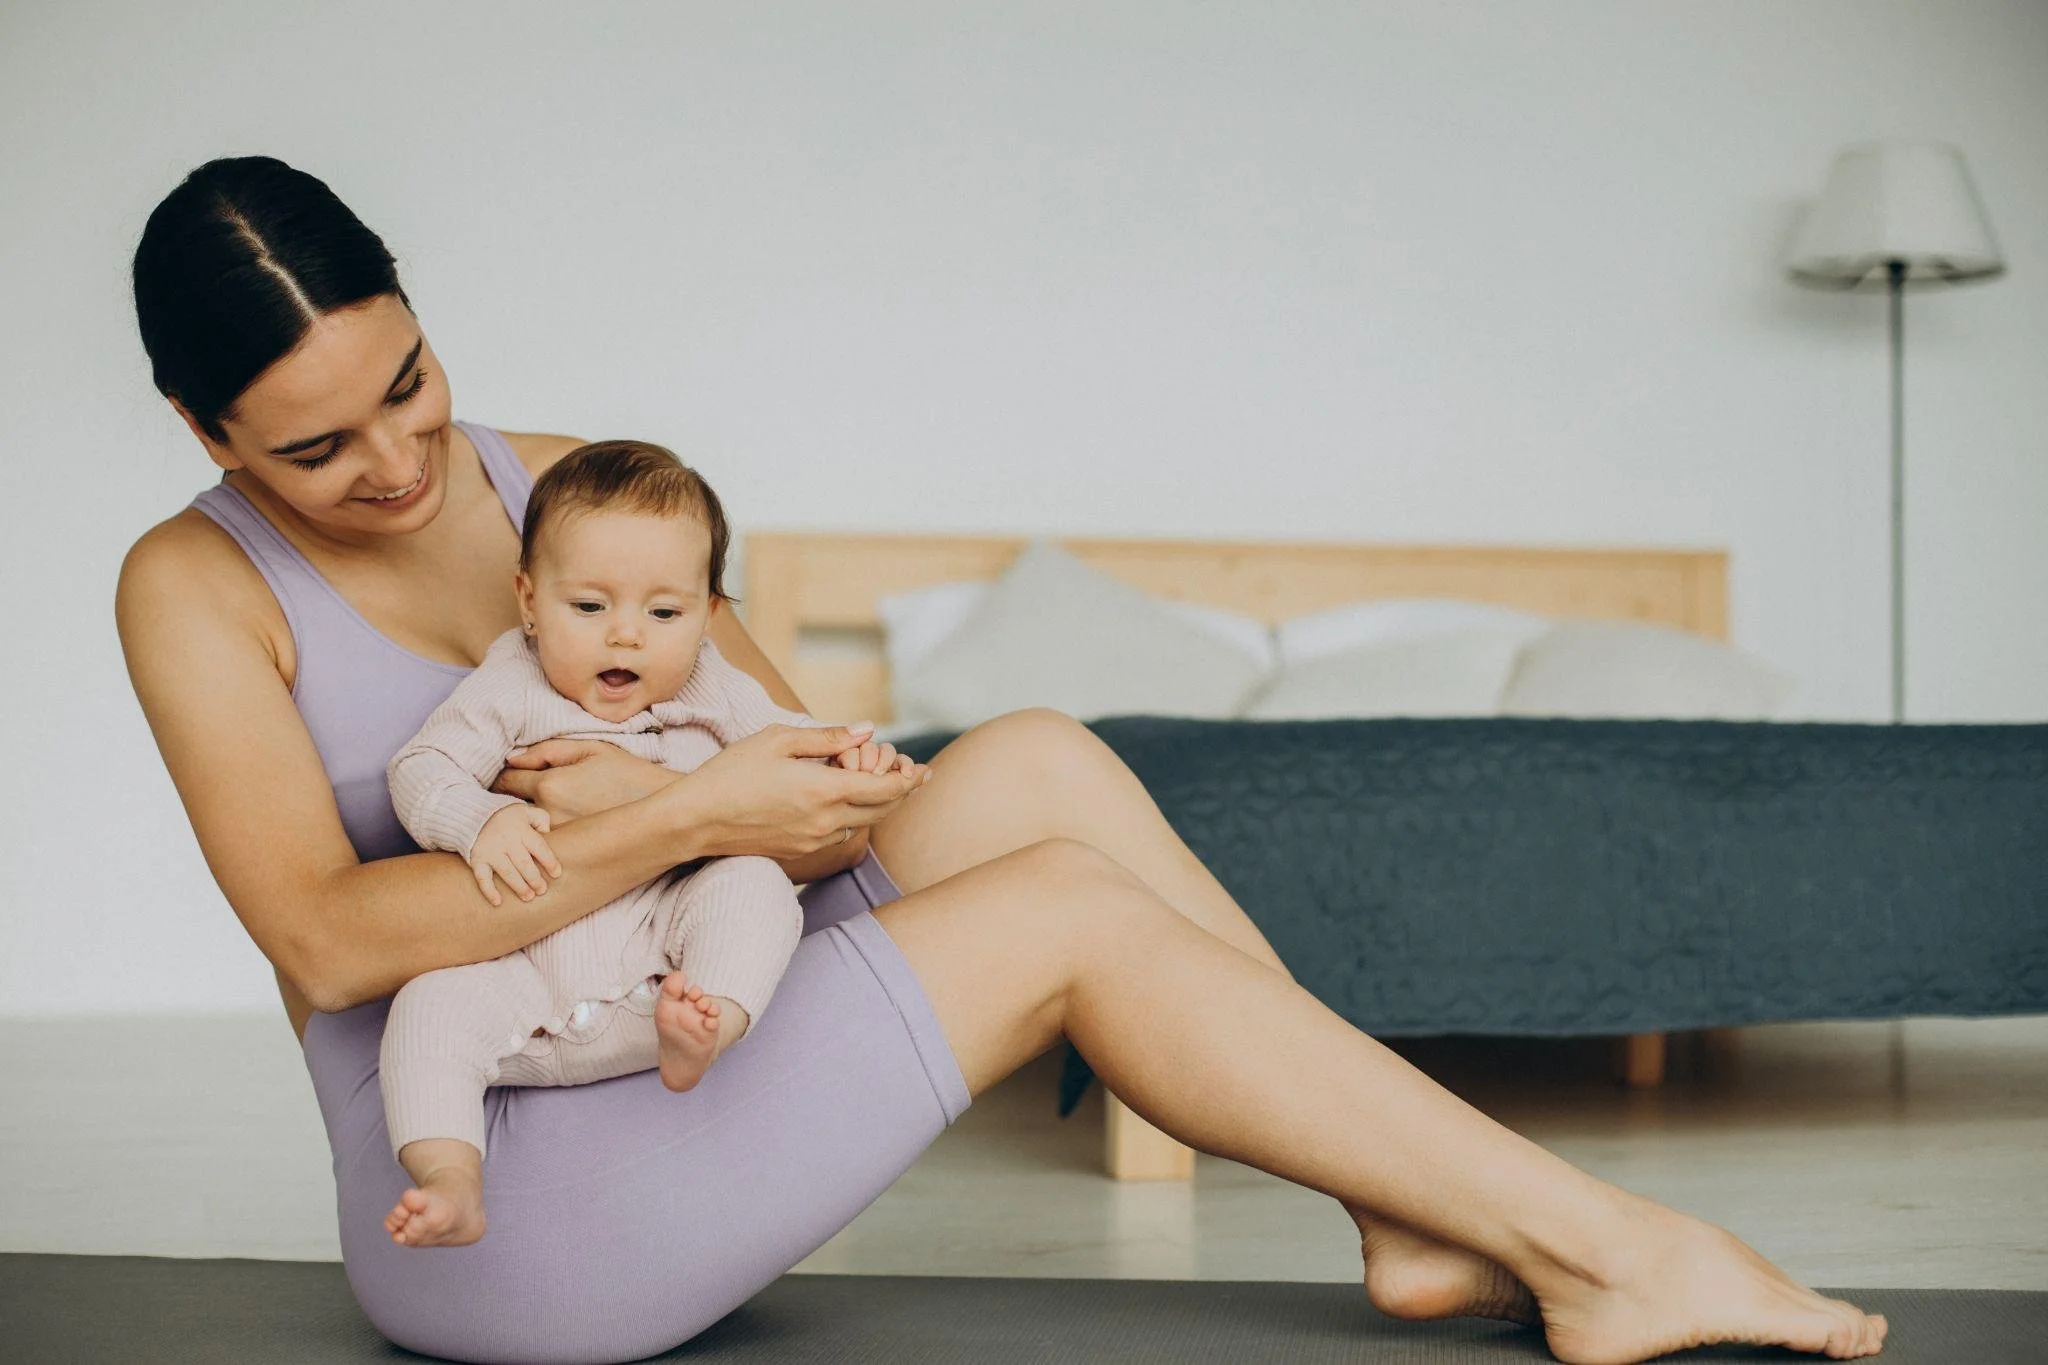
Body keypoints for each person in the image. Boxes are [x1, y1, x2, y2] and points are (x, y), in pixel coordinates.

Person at [115, 156, 1887, 1365]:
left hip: (682, 1017)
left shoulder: (574, 483)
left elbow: (806, 801)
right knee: (1059, 916)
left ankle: (1408, 1216)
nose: (398, 460)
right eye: (318, 447)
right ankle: (1602, 1251)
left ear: (419, 314)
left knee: (1035, 758)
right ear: (209, 435)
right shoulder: (193, 586)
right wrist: (670, 813)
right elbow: (332, 943)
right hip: (498, 1178)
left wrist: (721, 808)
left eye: (409, 384)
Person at [378, 438, 925, 1249]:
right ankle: (452, 1176)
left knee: (751, 882)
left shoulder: (713, 683)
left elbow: (793, 742)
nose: (625, 637)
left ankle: (708, 1025)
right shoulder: (512, 682)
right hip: (523, 982)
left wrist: (853, 756)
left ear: (707, 615)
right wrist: (478, 819)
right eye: (589, 608)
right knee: (426, 1009)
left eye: (663, 613)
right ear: (528, 600)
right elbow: (422, 767)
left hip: (658, 976)